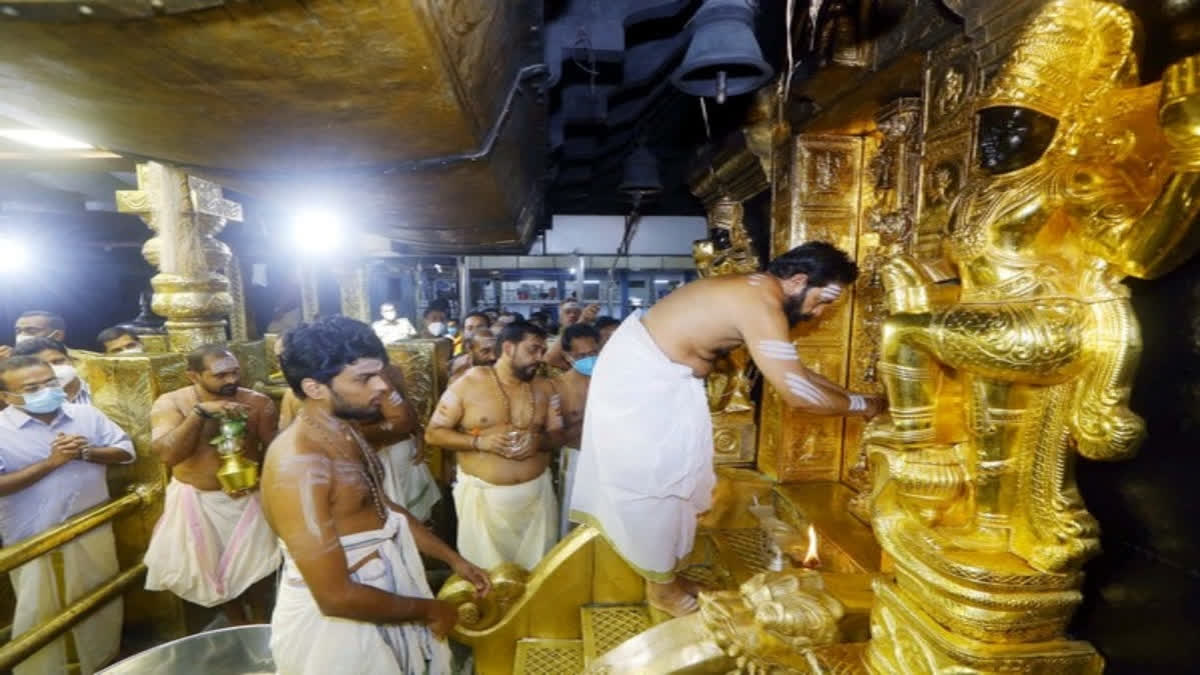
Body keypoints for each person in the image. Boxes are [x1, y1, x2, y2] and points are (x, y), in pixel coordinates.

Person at [571, 242, 886, 616]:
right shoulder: (760, 303)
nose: (818, 312)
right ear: (798, 280)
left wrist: (861, 401)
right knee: (656, 483)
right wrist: (863, 406)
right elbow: (797, 393)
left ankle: (667, 578)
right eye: (820, 300)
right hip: (642, 382)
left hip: (657, 378)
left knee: (676, 482)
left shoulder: (756, 292)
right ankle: (662, 591)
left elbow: (800, 375)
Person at [263, 316, 489, 675]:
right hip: (336, 633)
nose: (383, 386)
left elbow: (383, 508)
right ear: (315, 387)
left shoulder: (347, 429)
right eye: (364, 378)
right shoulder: (299, 462)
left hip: (381, 591)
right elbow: (334, 597)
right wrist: (430, 610)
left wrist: (454, 560)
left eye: (380, 373)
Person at [0, 356, 134, 675]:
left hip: (93, 528)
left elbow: (126, 451)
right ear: (6, 396)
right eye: (32, 387)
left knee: (99, 603)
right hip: (35, 538)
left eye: (49, 382)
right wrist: (51, 463)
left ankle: (103, 664)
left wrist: (87, 452)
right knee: (42, 614)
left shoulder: (83, 414)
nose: (45, 390)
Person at [144, 345, 281, 624]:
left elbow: (275, 452)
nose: (231, 380)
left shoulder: (257, 403)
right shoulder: (171, 404)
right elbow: (169, 455)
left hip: (249, 501)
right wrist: (199, 415)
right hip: (196, 502)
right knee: (215, 577)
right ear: (193, 376)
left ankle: (260, 628)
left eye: (235, 372)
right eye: (220, 375)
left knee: (260, 575)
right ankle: (237, 630)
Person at [426, 322, 564, 570]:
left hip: (537, 502)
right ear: (509, 348)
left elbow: (558, 435)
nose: (539, 358)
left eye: (543, 351)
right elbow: (433, 434)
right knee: (486, 582)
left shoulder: (546, 387)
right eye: (533, 350)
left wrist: (538, 441)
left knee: (540, 581)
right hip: (483, 504)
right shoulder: (468, 383)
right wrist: (479, 442)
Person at [551, 324, 600, 538]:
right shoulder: (558, 387)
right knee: (573, 523)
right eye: (582, 355)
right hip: (577, 459)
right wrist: (590, 420)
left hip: (611, 459)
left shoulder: (615, 379)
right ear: (569, 356)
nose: (589, 358)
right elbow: (554, 436)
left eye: (593, 353)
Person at [13, 337, 93, 405]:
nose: (53, 369)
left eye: (57, 361)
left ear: (71, 360)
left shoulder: (100, 389)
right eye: (42, 366)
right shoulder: (29, 403)